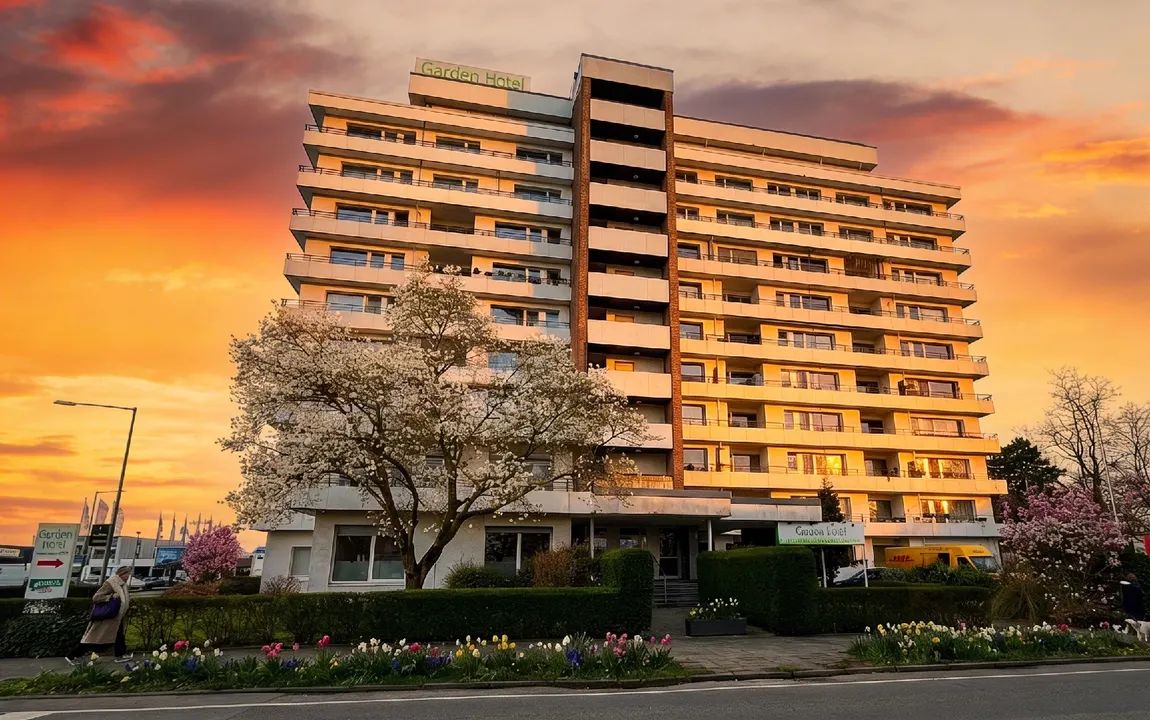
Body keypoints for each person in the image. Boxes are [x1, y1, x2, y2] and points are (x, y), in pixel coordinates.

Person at [70, 566, 132, 663]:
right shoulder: (111, 583)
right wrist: (111, 596)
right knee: (94, 639)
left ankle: (120, 654)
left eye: (129, 574)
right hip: (107, 617)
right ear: (121, 574)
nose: (128, 576)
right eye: (126, 574)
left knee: (118, 636)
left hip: (116, 617)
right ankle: (73, 655)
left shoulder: (122, 585)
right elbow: (96, 597)